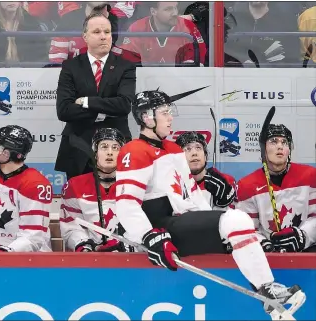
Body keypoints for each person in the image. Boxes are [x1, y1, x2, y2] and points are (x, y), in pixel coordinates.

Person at [114, 90, 306, 317]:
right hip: (163, 229)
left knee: (234, 221)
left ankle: (271, 299)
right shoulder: (134, 150)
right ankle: (270, 294)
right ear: (146, 117)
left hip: (181, 222)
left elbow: (193, 195)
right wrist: (149, 236)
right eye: (164, 113)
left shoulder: (174, 149)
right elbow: (126, 204)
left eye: (169, 112)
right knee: (236, 219)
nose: (170, 117)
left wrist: (219, 229)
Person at [55, 11, 136, 180]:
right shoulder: (70, 67)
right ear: (85, 36)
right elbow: (64, 110)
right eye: (97, 32)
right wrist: (105, 109)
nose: (103, 37)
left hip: (115, 145)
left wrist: (86, 101)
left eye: (107, 32)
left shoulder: (126, 66)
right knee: (77, 204)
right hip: (78, 147)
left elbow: (123, 106)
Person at [236, 124, 316, 253]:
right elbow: (248, 229)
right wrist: (262, 244)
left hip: (306, 254)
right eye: (273, 141)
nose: (280, 146)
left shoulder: (310, 175)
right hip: (268, 258)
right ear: (263, 149)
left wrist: (303, 236)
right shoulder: (247, 185)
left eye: (284, 142)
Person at [60, 128, 133, 252]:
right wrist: (84, 245)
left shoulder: (135, 184)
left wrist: (126, 246)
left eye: (115, 148)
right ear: (95, 152)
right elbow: (71, 227)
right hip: (89, 261)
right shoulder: (75, 185)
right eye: (104, 147)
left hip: (128, 260)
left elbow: (143, 224)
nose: (110, 152)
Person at [120, 1, 207, 66]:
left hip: (179, 82)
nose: (175, 13)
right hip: (144, 82)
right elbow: (129, 62)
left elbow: (194, 59)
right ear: (153, 11)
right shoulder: (136, 28)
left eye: (175, 8)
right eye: (168, 9)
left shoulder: (187, 26)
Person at [175, 131, 236, 210]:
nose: (194, 153)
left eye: (198, 148)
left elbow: (231, 219)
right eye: (188, 149)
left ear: (205, 156)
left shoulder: (225, 181)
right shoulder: (171, 184)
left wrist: (224, 200)